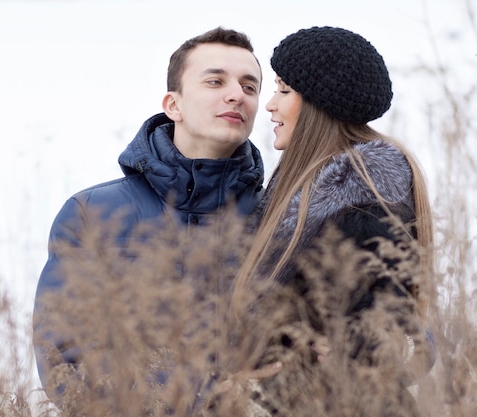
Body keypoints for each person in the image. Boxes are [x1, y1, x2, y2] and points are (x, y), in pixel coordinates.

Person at [33, 26, 268, 409]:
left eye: (250, 87)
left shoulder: (277, 216)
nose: (235, 95)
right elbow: (62, 354)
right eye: (215, 81)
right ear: (173, 105)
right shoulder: (92, 212)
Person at [226, 26, 436, 416]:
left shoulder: (360, 211)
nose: (270, 105)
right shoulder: (300, 199)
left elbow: (370, 345)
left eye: (283, 90)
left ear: (319, 105)